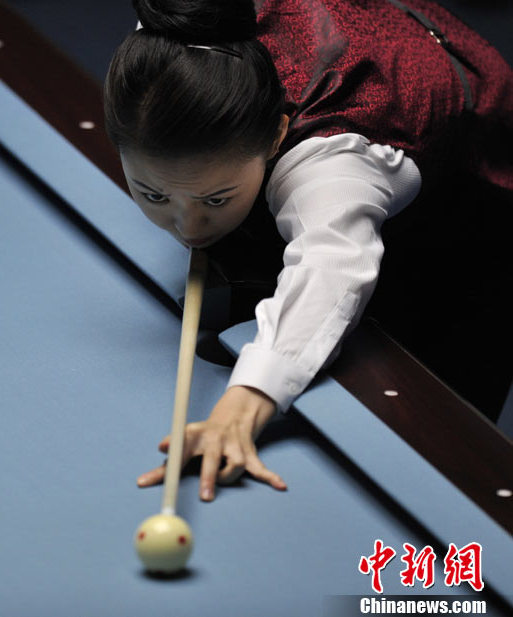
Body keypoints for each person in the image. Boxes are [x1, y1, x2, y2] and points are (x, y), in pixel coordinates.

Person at [103, 0, 513, 502]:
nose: (188, 227)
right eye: (153, 194)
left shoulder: (332, 163)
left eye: (215, 199)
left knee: (447, 437)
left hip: (478, 186)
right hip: (348, 30)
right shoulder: (169, 41)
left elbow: (331, 264)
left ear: (276, 136)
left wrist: (244, 403)